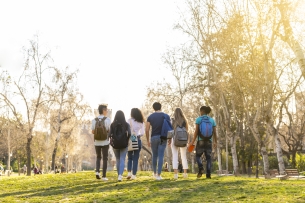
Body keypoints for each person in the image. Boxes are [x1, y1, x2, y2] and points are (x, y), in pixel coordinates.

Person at [190, 106, 217, 179]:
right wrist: (215, 142)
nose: (200, 113)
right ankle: (208, 174)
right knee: (208, 158)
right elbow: (214, 132)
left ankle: (201, 168)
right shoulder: (212, 120)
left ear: (202, 111)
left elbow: (196, 131)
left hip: (200, 140)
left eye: (200, 111)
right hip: (209, 141)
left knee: (198, 156)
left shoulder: (199, 119)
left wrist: (192, 142)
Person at [146, 102, 170, 180]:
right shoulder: (166, 116)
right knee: (161, 156)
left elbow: (147, 129)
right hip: (163, 137)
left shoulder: (150, 117)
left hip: (154, 137)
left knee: (154, 156)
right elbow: (169, 128)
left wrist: (148, 140)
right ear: (161, 107)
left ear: (153, 108)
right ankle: (159, 175)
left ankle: (154, 173)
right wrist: (170, 139)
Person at [91, 104, 111, 180]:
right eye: (106, 110)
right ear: (103, 110)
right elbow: (109, 130)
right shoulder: (108, 120)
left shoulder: (94, 120)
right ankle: (104, 176)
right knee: (105, 158)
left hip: (97, 142)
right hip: (105, 141)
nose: (107, 111)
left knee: (98, 157)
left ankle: (97, 172)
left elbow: (93, 131)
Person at [110, 110, 131, 182]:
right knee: (122, 159)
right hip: (124, 143)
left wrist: (111, 141)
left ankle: (119, 174)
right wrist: (127, 140)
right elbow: (130, 133)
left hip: (115, 144)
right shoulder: (126, 124)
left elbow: (109, 134)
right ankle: (120, 175)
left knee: (117, 159)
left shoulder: (112, 124)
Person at [169, 107, 189, 179]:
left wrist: (169, 140)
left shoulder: (173, 120)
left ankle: (175, 174)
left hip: (175, 140)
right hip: (183, 140)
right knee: (184, 156)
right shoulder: (185, 120)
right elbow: (187, 130)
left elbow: (171, 131)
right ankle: (185, 174)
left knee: (175, 156)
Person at [126, 108, 145, 180]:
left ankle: (129, 173)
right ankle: (134, 175)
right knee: (136, 158)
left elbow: (127, 130)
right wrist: (138, 135)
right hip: (137, 139)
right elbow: (142, 132)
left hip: (131, 139)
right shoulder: (141, 122)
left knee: (130, 157)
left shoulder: (129, 120)